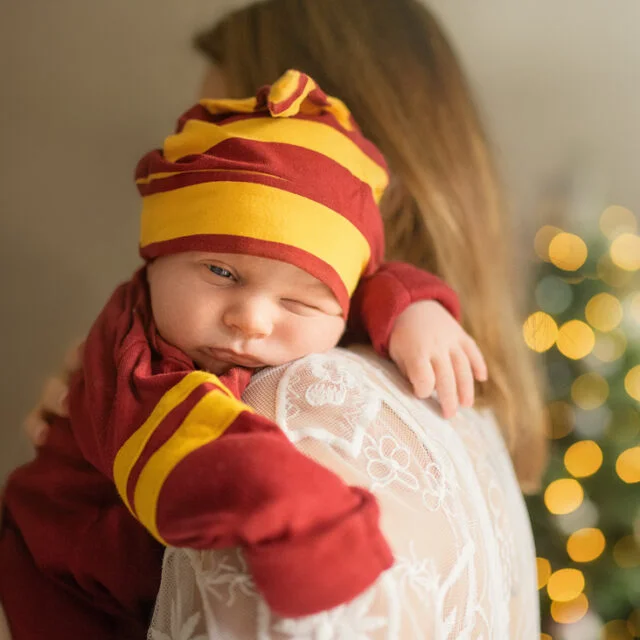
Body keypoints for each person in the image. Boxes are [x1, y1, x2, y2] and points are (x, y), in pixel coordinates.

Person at [8, 0, 548, 637]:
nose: (252, 322)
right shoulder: (465, 416)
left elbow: (350, 281)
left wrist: (414, 308)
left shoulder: (306, 400)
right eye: (219, 269)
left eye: (296, 301)